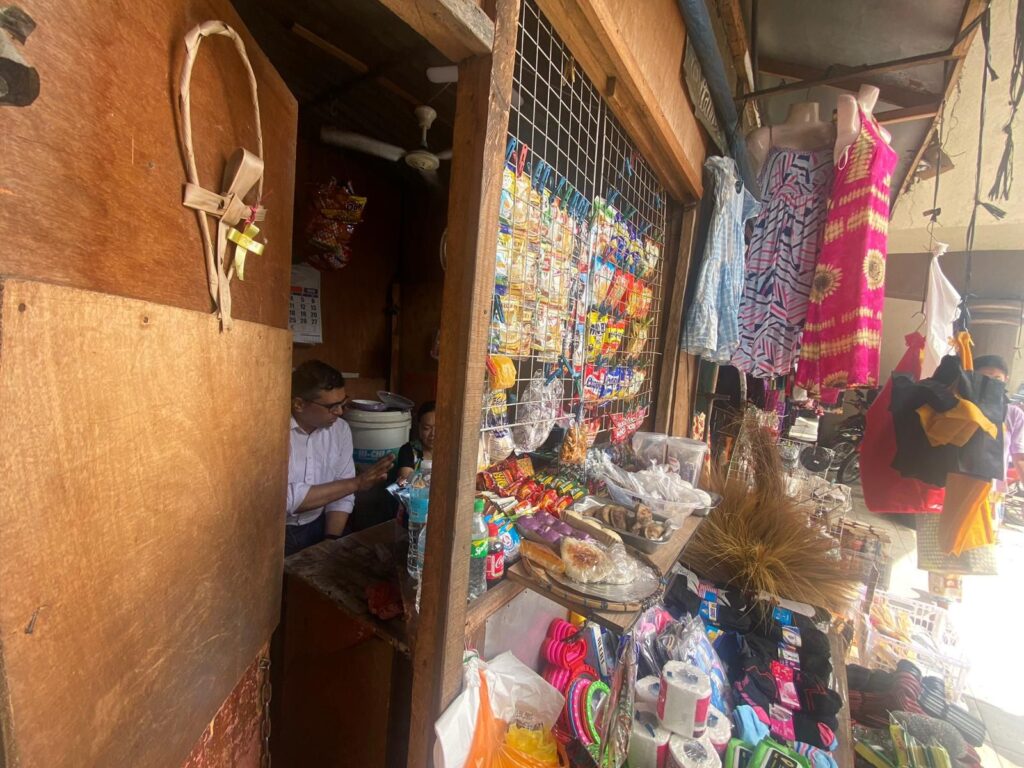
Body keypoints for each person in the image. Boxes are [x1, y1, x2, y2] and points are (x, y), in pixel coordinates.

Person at [287, 360, 394, 555]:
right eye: (332, 406)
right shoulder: (275, 434)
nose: (340, 412)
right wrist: (356, 483)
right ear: (299, 404)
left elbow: (341, 493)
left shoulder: (340, 429)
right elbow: (285, 499)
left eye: (343, 403)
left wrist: (331, 539)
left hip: (321, 523)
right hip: (277, 532)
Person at [974, 355, 1024, 485]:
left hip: (992, 490)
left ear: (1006, 380)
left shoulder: (1013, 414)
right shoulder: (962, 408)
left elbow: (1019, 456)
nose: (990, 383)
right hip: (958, 486)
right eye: (984, 378)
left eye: (997, 379)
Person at [394, 401, 436, 484]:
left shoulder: (451, 452)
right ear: (419, 428)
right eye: (426, 428)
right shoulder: (408, 450)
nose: (433, 434)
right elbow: (406, 477)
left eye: (439, 427)